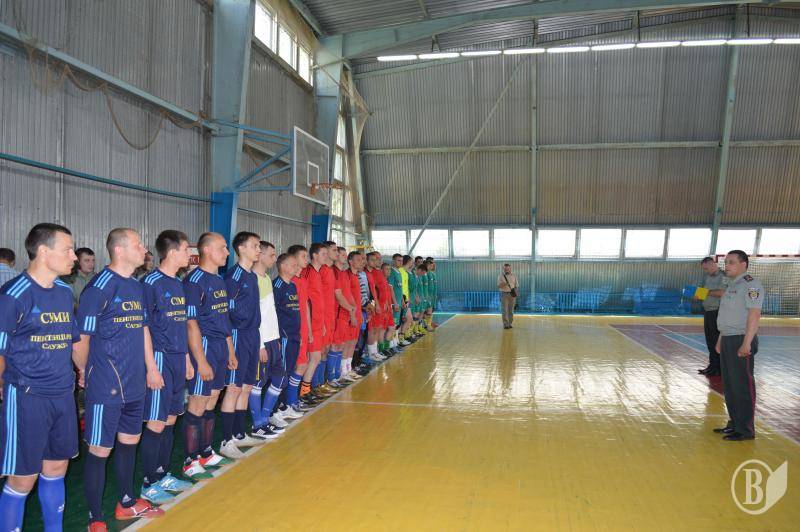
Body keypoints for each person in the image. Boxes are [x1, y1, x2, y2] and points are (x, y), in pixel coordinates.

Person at [75, 228, 165, 529]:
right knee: (100, 450)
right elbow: (81, 340)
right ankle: (95, 518)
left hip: (135, 381)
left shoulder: (137, 287)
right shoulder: (99, 288)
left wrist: (151, 368)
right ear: (119, 250)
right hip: (106, 385)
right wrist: (86, 372)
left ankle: (126, 503)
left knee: (129, 442)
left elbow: (143, 329)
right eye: (138, 245)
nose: (144, 250)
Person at [0, 224, 78, 531]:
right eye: (68, 249)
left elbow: (71, 340)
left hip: (63, 395)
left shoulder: (64, 292)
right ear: (44, 252)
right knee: (23, 478)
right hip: (27, 397)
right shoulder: (13, 295)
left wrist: (82, 372)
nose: (74, 256)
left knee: (57, 467)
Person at [138, 231, 195, 505]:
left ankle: (163, 475)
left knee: (171, 418)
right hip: (159, 358)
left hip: (177, 358)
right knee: (156, 421)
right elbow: (143, 328)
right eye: (185, 250)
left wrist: (186, 358)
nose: (189, 255)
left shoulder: (179, 283)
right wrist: (151, 366)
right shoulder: (149, 283)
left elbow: (182, 324)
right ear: (172, 253)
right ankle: (148, 483)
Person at [182, 232, 237, 480]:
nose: (227, 252)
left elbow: (224, 319)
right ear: (206, 250)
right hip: (203, 346)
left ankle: (205, 451)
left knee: (212, 399)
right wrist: (201, 361)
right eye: (222, 247)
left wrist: (230, 349)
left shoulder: (219, 280)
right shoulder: (194, 281)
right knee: (198, 400)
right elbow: (190, 323)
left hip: (220, 346)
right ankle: (190, 460)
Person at [223, 232, 267, 453]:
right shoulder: (234, 276)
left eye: (259, 246)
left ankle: (239, 434)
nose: (258, 250)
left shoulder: (251, 276)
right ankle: (226, 441)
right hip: (238, 335)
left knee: (247, 386)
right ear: (241, 248)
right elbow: (227, 310)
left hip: (252, 335)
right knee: (233, 388)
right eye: (255, 246)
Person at [713, 250, 763, 442]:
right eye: (726, 262)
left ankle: (745, 429)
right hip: (728, 338)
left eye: (731, 262)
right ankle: (735, 423)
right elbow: (727, 316)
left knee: (742, 384)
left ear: (743, 264)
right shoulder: (732, 284)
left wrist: (747, 342)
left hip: (741, 338)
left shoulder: (751, 284)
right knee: (730, 384)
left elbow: (754, 314)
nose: (727, 265)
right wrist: (721, 338)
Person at [250, 241, 285, 439]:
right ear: (260, 255)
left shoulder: (267, 280)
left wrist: (276, 337)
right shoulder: (252, 280)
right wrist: (260, 344)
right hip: (261, 341)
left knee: (279, 377)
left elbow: (270, 314)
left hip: (273, 339)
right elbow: (255, 317)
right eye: (271, 255)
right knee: (258, 382)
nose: (274, 258)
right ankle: (257, 424)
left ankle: (265, 417)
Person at [272, 254, 303, 423]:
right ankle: (277, 409)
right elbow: (273, 313)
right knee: (281, 374)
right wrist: (279, 336)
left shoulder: (292, 286)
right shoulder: (277, 286)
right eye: (293, 265)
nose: (297, 268)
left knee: (290, 370)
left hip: (294, 336)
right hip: (284, 337)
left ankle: (285, 406)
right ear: (283, 266)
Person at [300, 243, 329, 396]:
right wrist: (309, 328)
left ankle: (307, 389)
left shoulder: (318, 273)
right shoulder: (307, 272)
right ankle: (304, 392)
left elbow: (318, 300)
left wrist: (322, 322)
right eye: (323, 254)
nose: (326, 256)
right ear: (315, 256)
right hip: (310, 324)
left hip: (318, 322)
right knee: (313, 358)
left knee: (316, 358)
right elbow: (304, 301)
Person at [696, 257, 727, 377]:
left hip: (717, 311)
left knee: (716, 340)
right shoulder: (708, 277)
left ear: (713, 264)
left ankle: (719, 367)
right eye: (704, 269)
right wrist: (697, 295)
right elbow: (704, 292)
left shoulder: (723, 276)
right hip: (708, 311)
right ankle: (712, 366)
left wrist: (705, 292)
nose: (705, 271)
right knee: (710, 341)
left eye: (706, 268)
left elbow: (722, 292)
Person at [497, 263, 518, 329]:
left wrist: (516, 294)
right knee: (505, 310)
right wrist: (504, 283)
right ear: (503, 269)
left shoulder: (514, 275)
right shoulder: (500, 276)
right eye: (505, 268)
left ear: (510, 268)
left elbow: (516, 285)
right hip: (504, 294)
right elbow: (498, 286)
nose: (506, 269)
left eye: (508, 268)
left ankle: (510, 323)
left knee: (511, 310)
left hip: (512, 294)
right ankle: (506, 324)